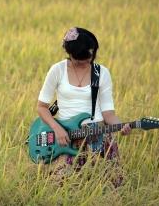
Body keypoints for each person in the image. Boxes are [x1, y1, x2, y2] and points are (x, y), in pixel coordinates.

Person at [36, 27, 131, 187]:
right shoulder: (57, 70)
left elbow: (108, 114)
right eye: (79, 61)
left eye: (89, 59)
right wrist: (56, 128)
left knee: (109, 186)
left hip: (98, 136)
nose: (84, 64)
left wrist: (120, 126)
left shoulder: (101, 73)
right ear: (70, 54)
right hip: (67, 137)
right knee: (63, 187)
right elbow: (42, 107)